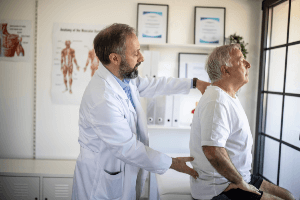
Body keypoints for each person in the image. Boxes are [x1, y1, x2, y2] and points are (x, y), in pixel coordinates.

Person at [71, 23, 210, 200]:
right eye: (135, 53)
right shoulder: (102, 98)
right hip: (100, 184)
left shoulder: (124, 79)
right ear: (115, 58)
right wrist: (174, 163)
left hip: (120, 171)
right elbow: (128, 148)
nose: (141, 57)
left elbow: (155, 85)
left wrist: (194, 82)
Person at [189, 44, 295, 200]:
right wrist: (240, 182)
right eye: (241, 60)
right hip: (221, 187)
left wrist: (242, 179)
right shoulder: (217, 100)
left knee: (288, 196)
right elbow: (213, 151)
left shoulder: (228, 96)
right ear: (226, 70)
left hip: (239, 177)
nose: (248, 65)